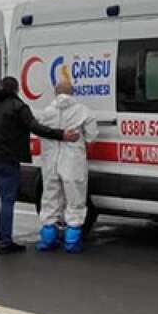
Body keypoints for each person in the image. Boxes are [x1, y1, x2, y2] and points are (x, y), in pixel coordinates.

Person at [0, 77, 78, 254]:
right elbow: (36, 128)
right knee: (7, 201)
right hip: (8, 160)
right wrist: (62, 135)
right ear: (16, 90)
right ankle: (5, 242)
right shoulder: (18, 107)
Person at [34, 80, 98, 253]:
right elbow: (92, 137)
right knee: (75, 199)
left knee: (50, 198)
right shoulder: (83, 111)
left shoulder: (46, 112)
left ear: (55, 92)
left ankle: (48, 238)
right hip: (73, 162)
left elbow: (40, 132)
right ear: (72, 92)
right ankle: (72, 240)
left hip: (50, 161)